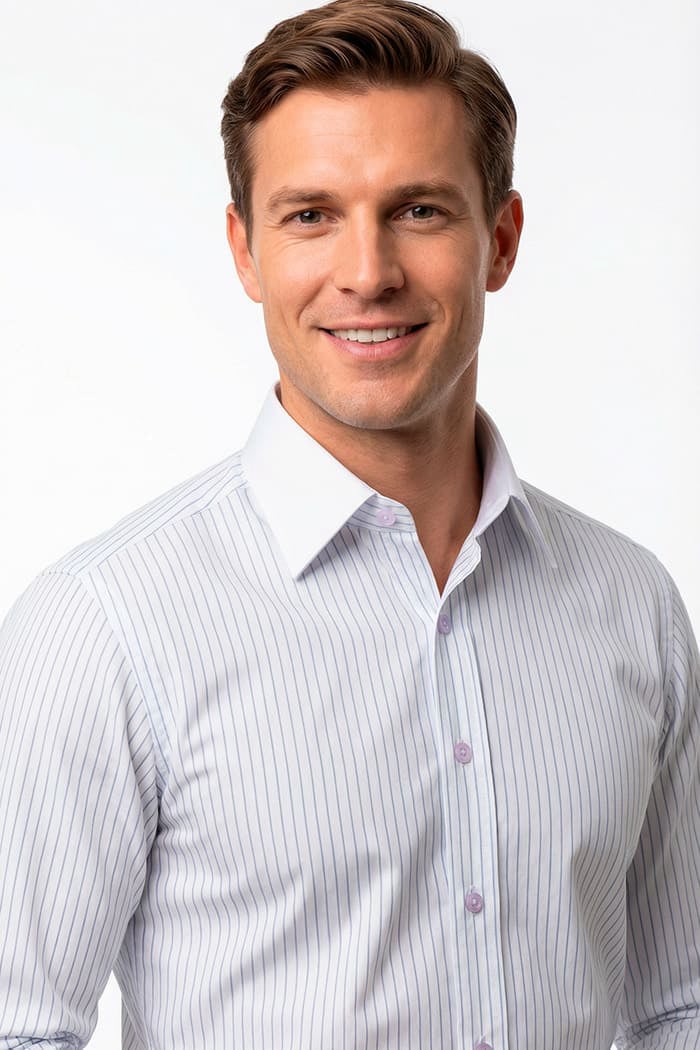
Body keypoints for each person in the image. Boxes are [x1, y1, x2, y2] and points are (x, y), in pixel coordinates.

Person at [0, 0, 698, 1046]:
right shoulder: (103, 626)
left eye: (418, 210)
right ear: (244, 251)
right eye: (310, 216)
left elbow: (679, 1004)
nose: (368, 273)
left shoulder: (631, 605)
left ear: (501, 240)